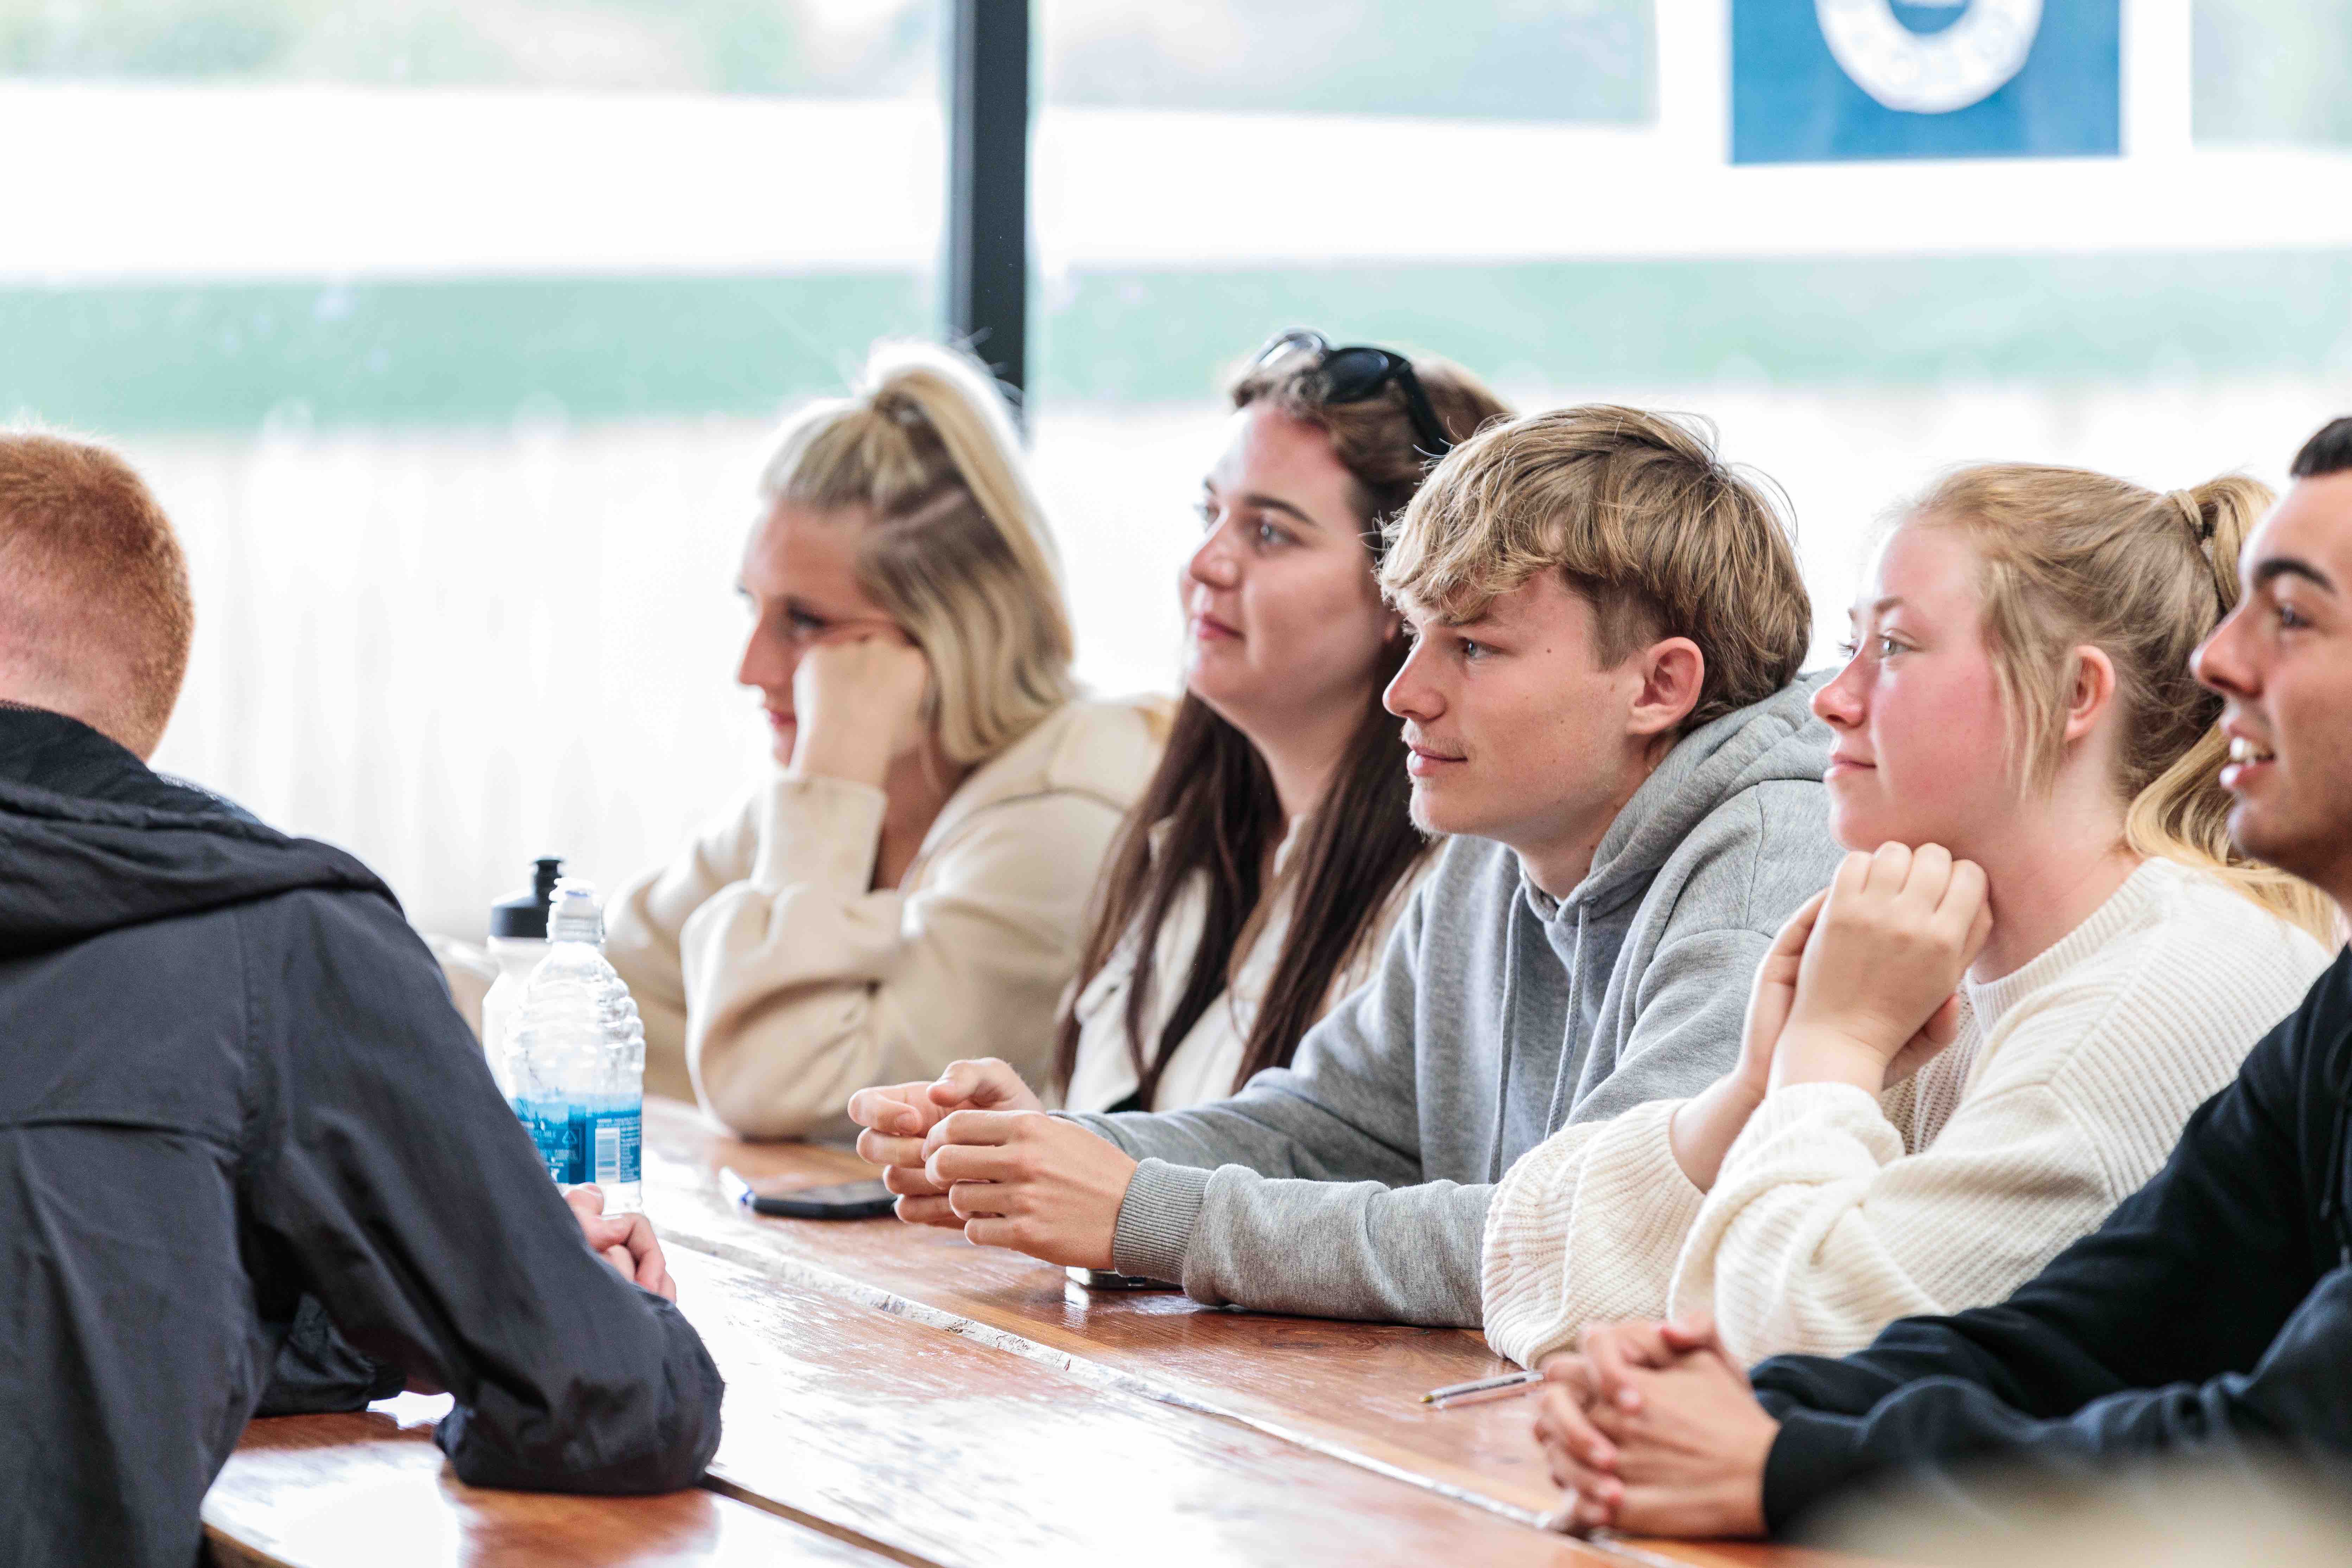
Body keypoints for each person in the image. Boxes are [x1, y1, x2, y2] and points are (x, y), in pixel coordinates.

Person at [1528, 416, 2352, 1541]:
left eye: (1896, 648)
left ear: (2072, 698)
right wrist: (1756, 1098)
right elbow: (2075, 1336)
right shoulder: (2314, 1019)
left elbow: (2291, 1442)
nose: (1831, 696)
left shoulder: (2167, 985)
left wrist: (1830, 1061)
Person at [850, 402, 1846, 1326]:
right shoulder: (1498, 839)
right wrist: (1055, 1158)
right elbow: (1323, 1130)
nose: (1403, 693)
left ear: (1658, 685)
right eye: (1415, 635)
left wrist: (1144, 1212)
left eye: (1474, 648)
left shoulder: (1761, 876)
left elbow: (1595, 1243)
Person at [0, 432, 722, 1568]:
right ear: (141, 706)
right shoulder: (266, 929)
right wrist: (534, 1291)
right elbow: (600, 1400)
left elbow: (74, 1313)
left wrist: (399, 1307)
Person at [603, 342, 1162, 1137]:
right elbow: (581, 1001)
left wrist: (830, 787)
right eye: (752, 610)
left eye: (804, 624)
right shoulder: (828, 796)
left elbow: (786, 1095)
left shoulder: (1064, 814)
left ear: (949, 639)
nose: (751, 668)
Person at [1058, 332, 1506, 1114]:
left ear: (1411, 595)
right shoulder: (1192, 838)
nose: (1204, 564)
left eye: (1268, 533)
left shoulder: (1450, 900)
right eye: (1210, 513)